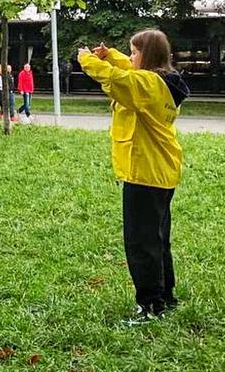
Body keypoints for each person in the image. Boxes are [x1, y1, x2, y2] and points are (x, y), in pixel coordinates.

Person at [78, 30, 189, 324]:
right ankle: (165, 296)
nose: (130, 57)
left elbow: (117, 79)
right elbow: (128, 70)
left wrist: (87, 60)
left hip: (145, 171)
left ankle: (150, 305)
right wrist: (112, 55)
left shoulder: (147, 84)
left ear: (147, 55)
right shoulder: (162, 81)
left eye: (134, 51)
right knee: (158, 238)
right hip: (161, 170)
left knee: (141, 242)